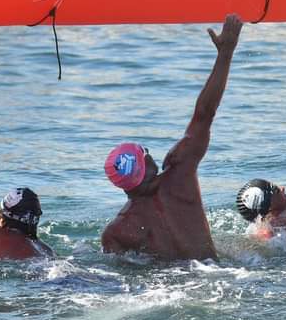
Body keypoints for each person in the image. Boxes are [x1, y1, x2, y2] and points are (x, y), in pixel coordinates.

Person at [101, 14, 243, 260]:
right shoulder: (179, 174)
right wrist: (225, 53)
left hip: (171, 287)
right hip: (215, 272)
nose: (150, 154)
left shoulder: (117, 232)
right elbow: (205, 113)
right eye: (145, 153)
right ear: (144, 165)